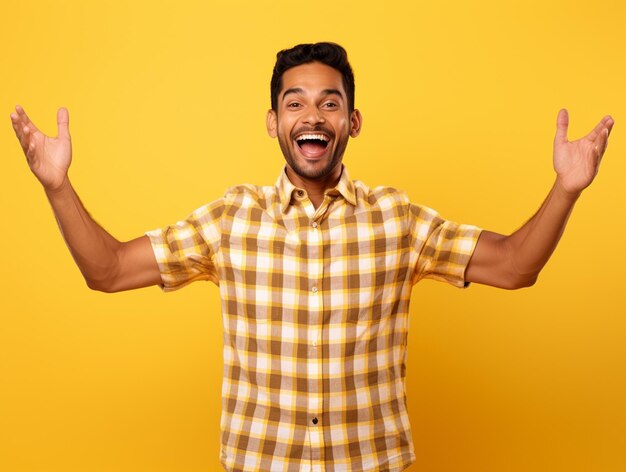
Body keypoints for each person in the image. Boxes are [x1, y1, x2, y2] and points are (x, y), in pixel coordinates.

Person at [10, 42, 613, 472]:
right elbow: (107, 270)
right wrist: (56, 185)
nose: (312, 115)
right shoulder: (231, 219)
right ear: (274, 122)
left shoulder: (397, 219)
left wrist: (566, 188)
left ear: (352, 120)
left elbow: (514, 266)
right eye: (295, 103)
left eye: (330, 103)